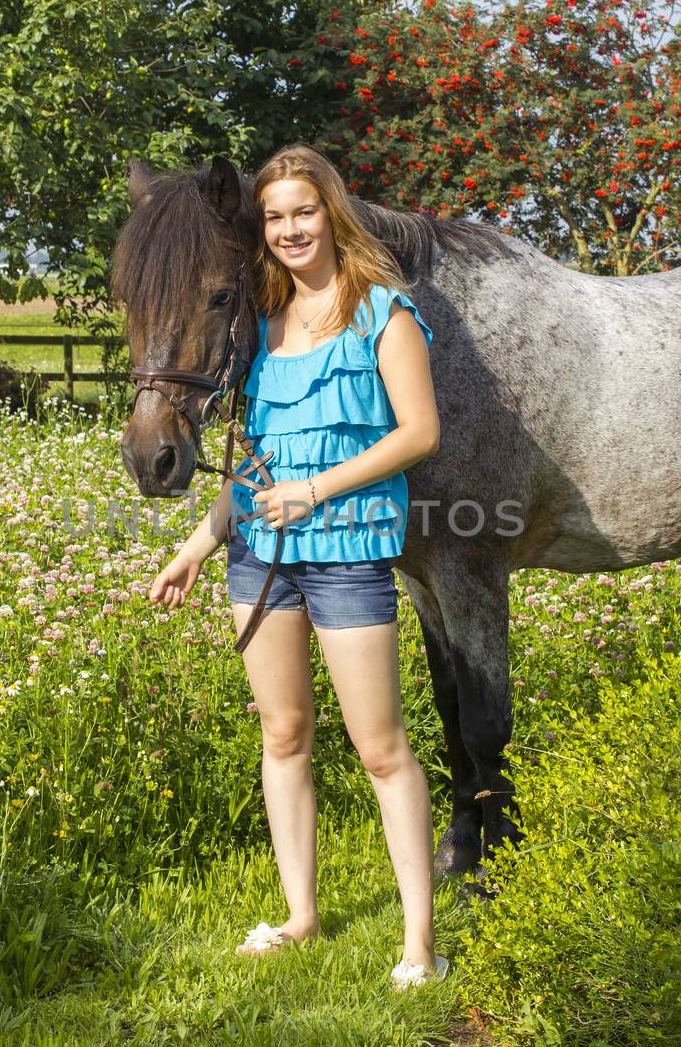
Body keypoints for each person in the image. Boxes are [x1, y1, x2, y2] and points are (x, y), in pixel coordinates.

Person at [146, 143, 446, 991]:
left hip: (348, 554)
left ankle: (420, 940)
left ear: (332, 214)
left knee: (381, 747)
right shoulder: (262, 326)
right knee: (283, 735)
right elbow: (257, 461)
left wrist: (316, 490)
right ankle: (300, 914)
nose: (288, 229)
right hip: (259, 561)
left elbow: (418, 432)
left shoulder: (380, 311)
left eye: (303, 213)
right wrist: (198, 545)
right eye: (274, 217)